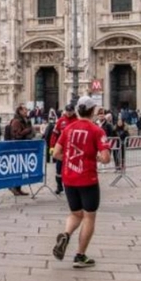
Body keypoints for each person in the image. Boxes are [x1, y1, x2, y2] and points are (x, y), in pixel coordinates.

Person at [51, 96, 112, 268]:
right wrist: (96, 158)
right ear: (93, 111)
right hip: (87, 179)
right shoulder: (96, 130)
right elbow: (106, 158)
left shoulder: (68, 129)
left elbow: (55, 154)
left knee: (75, 214)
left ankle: (66, 234)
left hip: (69, 178)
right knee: (89, 217)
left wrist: (70, 159)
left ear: (78, 110)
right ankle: (80, 255)